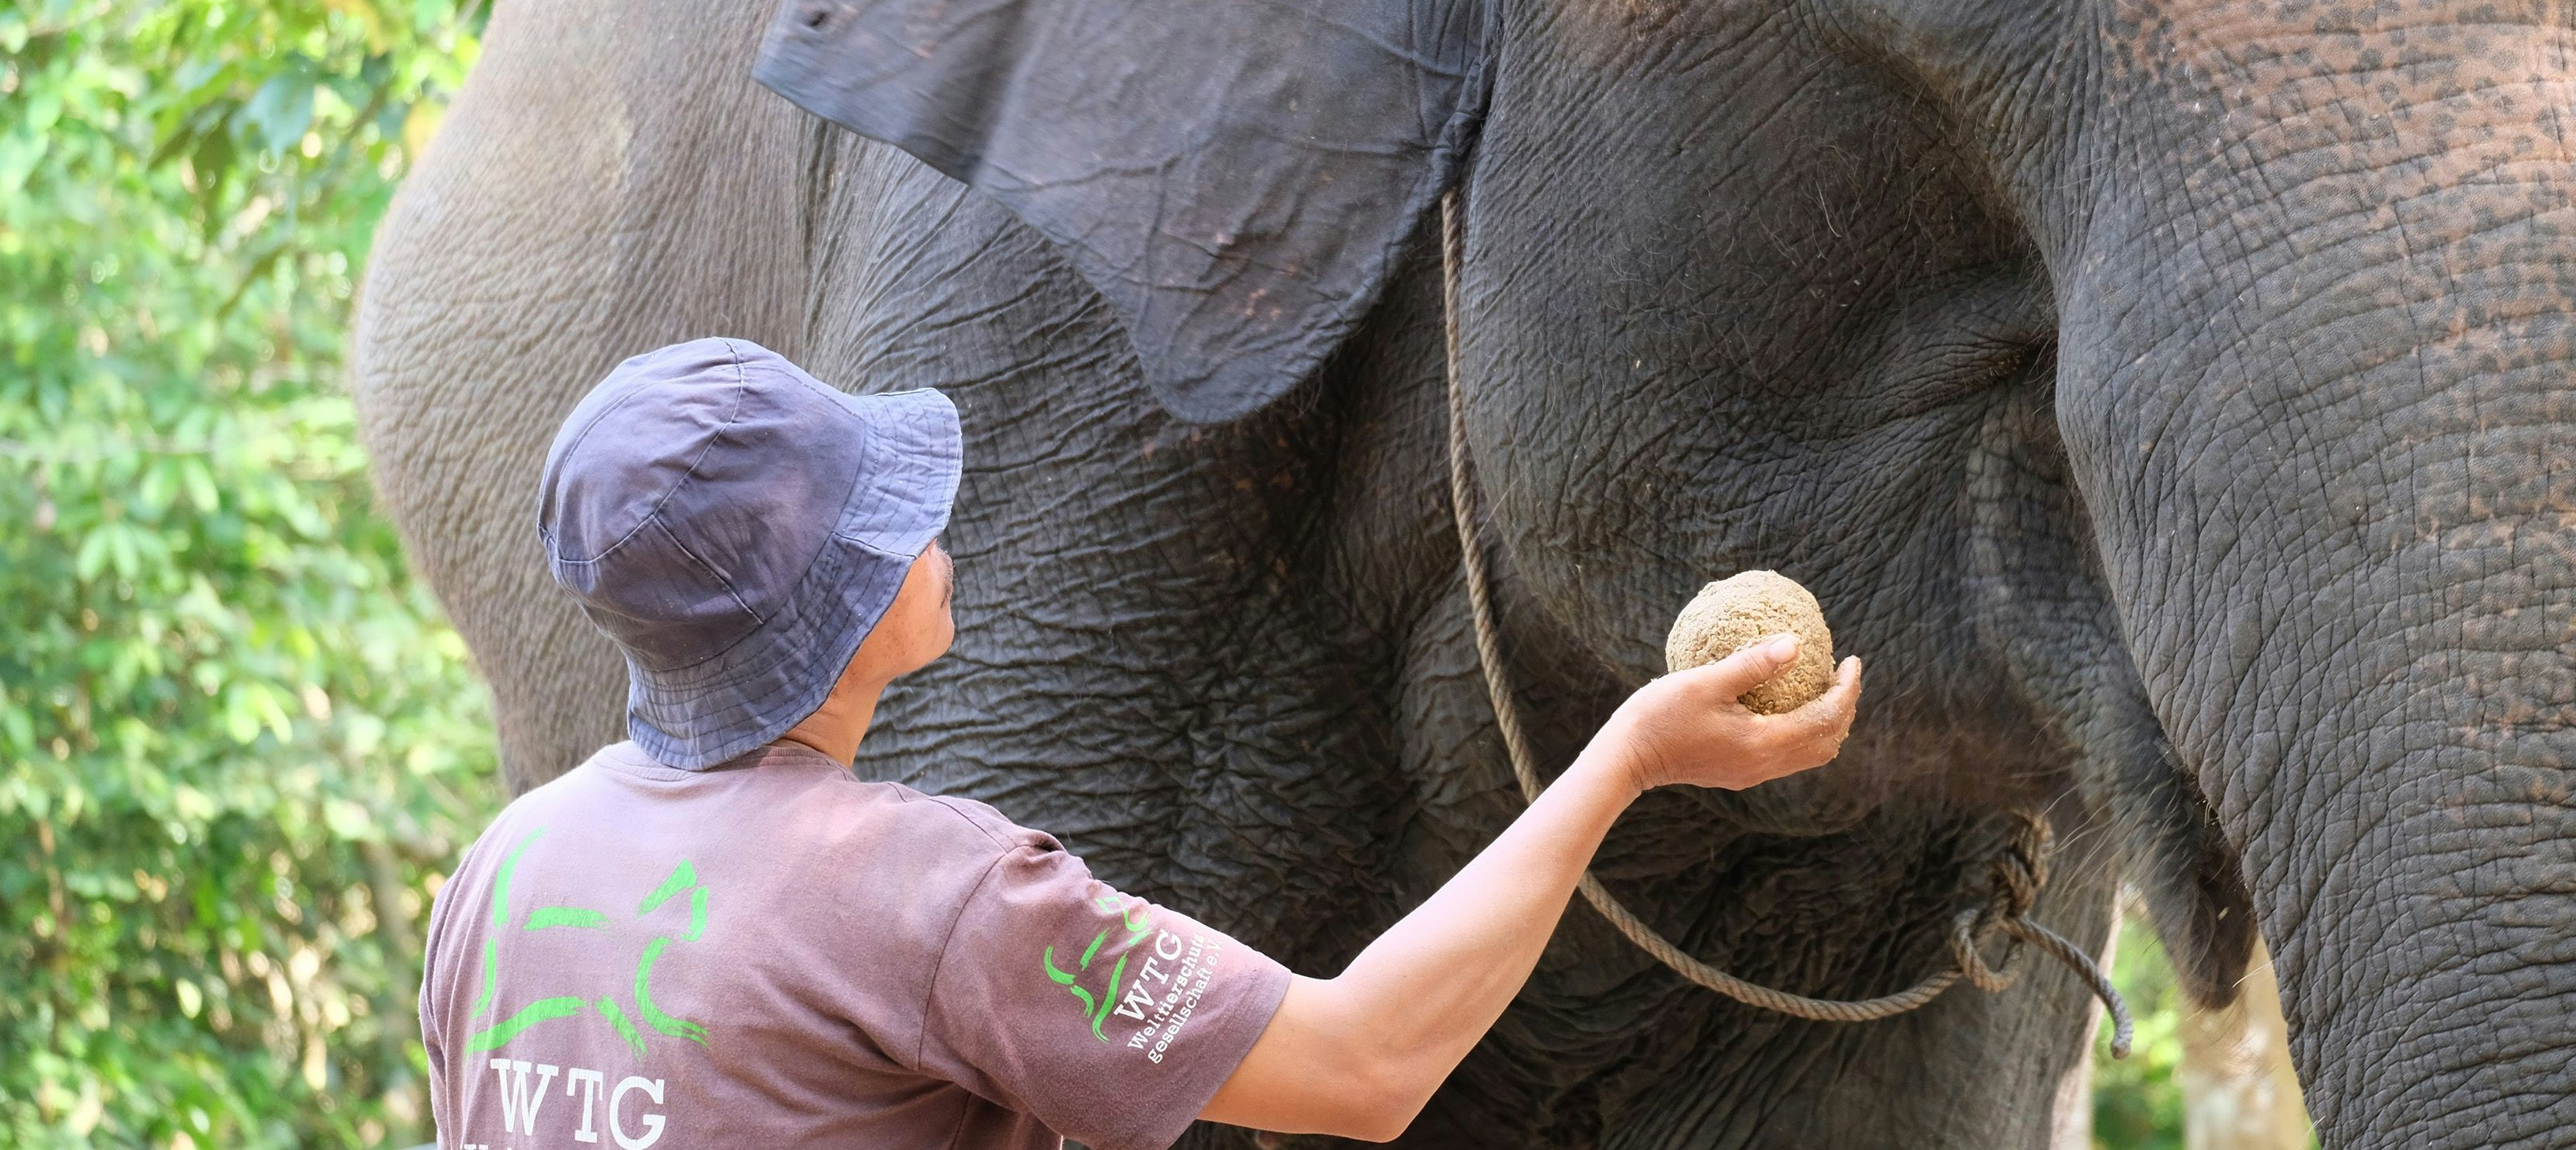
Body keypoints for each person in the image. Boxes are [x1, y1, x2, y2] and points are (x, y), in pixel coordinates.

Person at [419, 338, 1862, 1150]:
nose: (932, 527)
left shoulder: (503, 872)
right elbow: (1361, 1063)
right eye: (885, 518)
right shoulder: (929, 899)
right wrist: (1623, 760)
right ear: (832, 605)